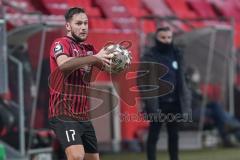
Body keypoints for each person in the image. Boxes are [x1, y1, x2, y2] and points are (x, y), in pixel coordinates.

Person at [48, 7, 113, 160]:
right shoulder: (60, 43)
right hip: (63, 112)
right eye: (78, 23)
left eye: (85, 23)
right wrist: (95, 58)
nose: (83, 27)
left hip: (83, 115)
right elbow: (63, 64)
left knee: (93, 159)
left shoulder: (89, 49)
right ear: (68, 26)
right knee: (77, 156)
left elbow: (104, 66)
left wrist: (117, 60)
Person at [138, 27, 191, 160]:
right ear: (157, 38)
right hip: (157, 103)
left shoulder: (178, 54)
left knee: (174, 135)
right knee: (154, 135)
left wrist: (186, 94)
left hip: (174, 102)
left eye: (169, 37)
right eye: (163, 37)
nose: (166, 41)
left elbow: (184, 77)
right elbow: (142, 80)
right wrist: (148, 100)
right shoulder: (149, 56)